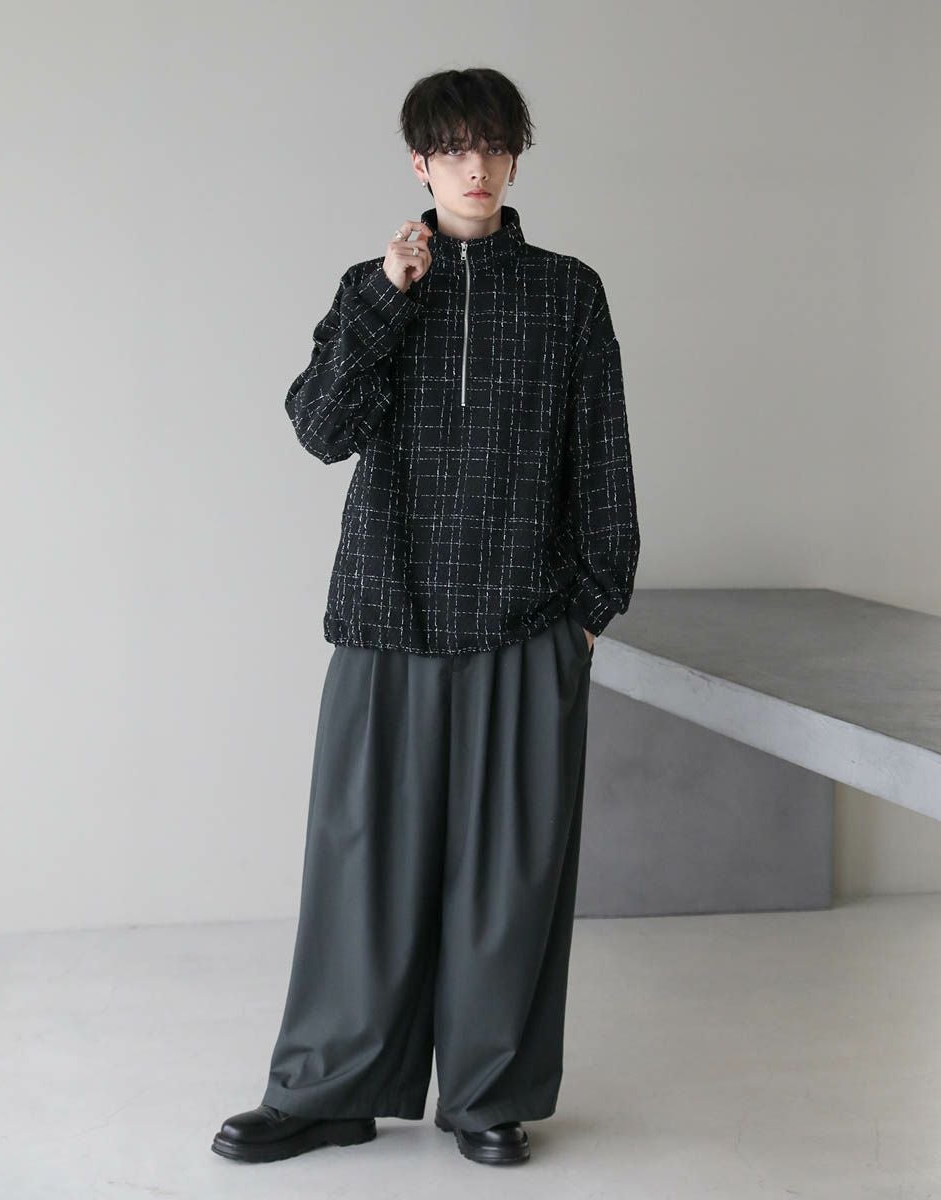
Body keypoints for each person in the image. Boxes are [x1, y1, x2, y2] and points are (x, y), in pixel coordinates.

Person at [211, 66, 640, 1168]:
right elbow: (321, 429)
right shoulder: (376, 287)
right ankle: (328, 1091)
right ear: (420, 163)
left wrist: (590, 613)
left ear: (514, 158)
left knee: (510, 874)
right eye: (453, 148)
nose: (475, 166)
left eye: (493, 146)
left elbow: (603, 461)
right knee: (361, 865)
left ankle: (489, 1096)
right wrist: (386, 300)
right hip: (387, 612)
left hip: (525, 623)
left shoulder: (567, 294)